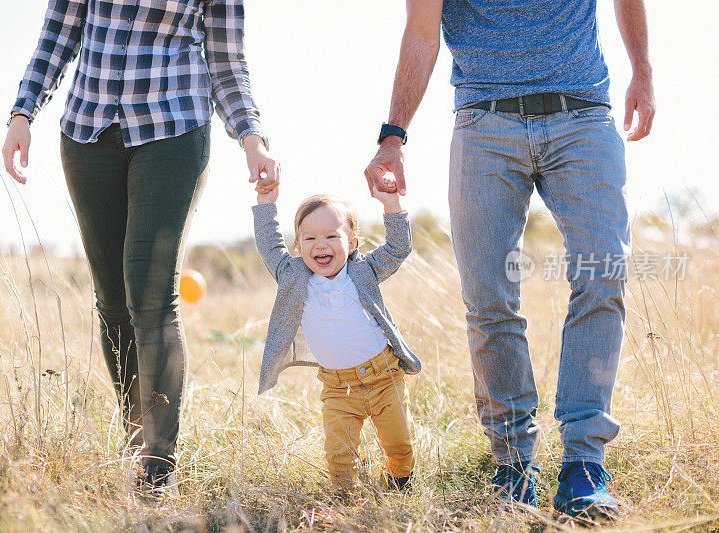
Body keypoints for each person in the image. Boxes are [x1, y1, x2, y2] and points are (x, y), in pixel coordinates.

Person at [365, 0, 655, 518]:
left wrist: (643, 72)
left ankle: (584, 466)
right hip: (484, 127)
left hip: (583, 117)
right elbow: (421, 34)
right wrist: (393, 135)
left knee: (602, 277)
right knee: (488, 298)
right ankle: (514, 466)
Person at [2, 0, 280, 495]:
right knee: (111, 299)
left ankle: (158, 463)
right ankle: (135, 438)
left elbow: (226, 60)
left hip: (172, 127)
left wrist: (251, 137)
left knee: (150, 294)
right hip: (87, 132)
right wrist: (23, 111)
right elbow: (57, 36)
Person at [251, 184, 421, 491]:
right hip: (337, 387)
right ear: (298, 246)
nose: (321, 245)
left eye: (332, 236)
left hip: (385, 378)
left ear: (353, 242)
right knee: (339, 453)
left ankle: (400, 485)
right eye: (310, 237)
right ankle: (344, 499)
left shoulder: (364, 270)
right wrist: (266, 203)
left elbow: (398, 247)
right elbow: (268, 244)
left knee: (399, 444)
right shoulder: (292, 275)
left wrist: (392, 203)